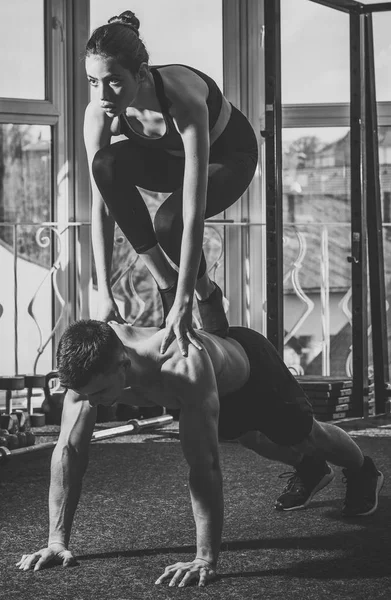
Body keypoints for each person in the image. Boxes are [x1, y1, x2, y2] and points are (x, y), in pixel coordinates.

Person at [16, 320, 384, 587]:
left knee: (306, 435)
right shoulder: (90, 366)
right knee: (250, 438)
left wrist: (205, 558)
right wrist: (56, 541)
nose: (91, 402)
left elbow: (204, 465)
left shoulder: (180, 365)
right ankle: (311, 470)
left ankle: (363, 469)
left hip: (251, 371)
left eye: (98, 393)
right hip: (208, 391)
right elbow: (69, 451)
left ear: (123, 364)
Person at [83, 10, 258, 356]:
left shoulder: (183, 97)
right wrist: (104, 292)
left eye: (114, 80)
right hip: (169, 160)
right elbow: (101, 206)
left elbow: (190, 212)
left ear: (142, 73)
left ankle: (208, 293)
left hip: (230, 156)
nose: (103, 94)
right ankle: (165, 281)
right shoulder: (100, 113)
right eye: (93, 81)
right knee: (104, 164)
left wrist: (186, 302)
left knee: (169, 221)